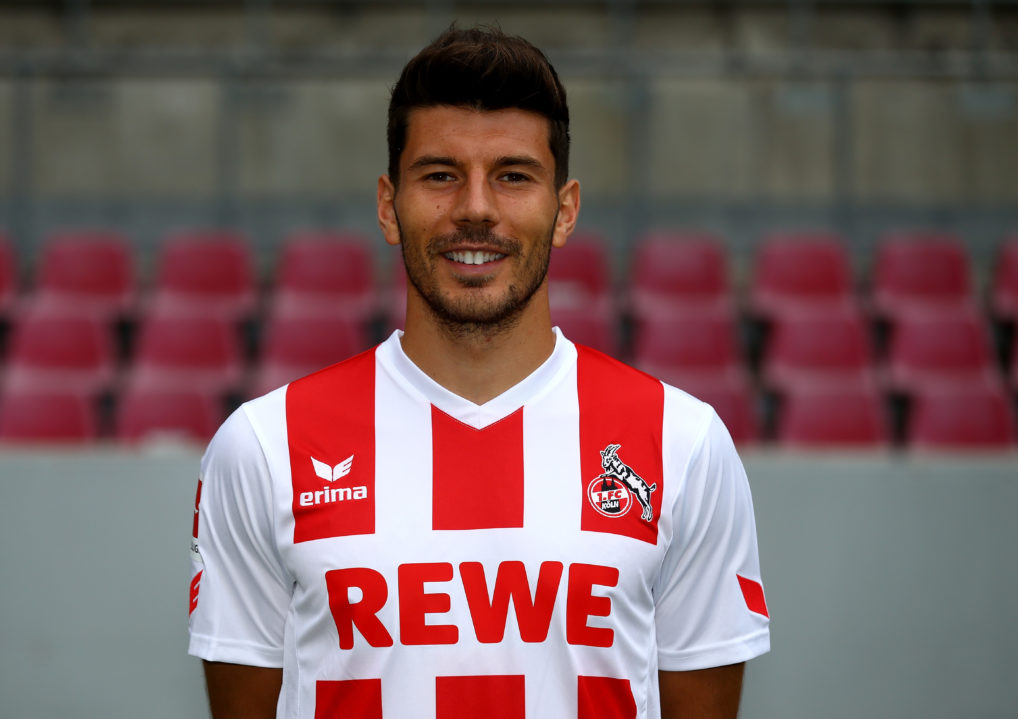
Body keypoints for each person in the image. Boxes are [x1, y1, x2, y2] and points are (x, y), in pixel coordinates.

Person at [188, 25, 769, 719]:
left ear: (565, 209)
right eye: (440, 175)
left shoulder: (684, 445)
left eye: (513, 176)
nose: (475, 208)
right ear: (387, 205)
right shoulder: (263, 447)